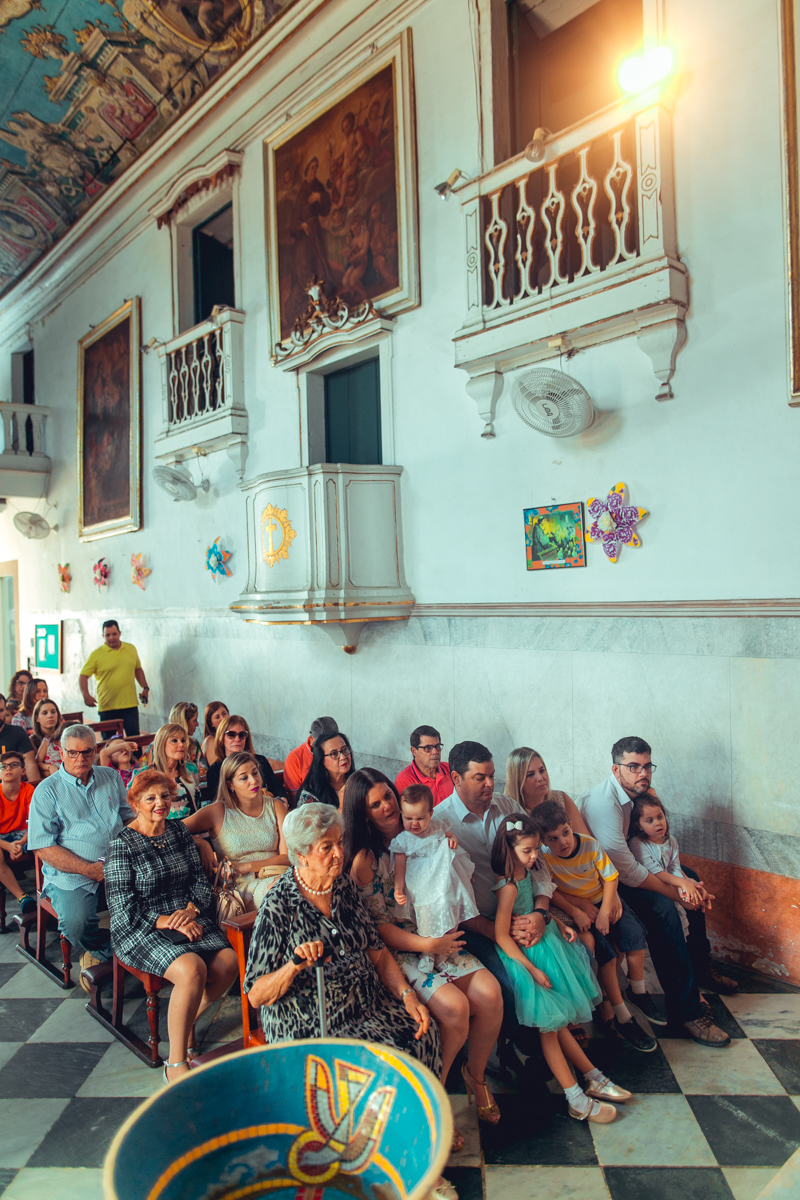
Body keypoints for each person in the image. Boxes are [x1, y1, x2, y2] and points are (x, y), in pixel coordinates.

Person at [344, 768, 502, 1132]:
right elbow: (379, 929)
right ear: (362, 813)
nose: (387, 807)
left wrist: (447, 840)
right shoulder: (367, 860)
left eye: (388, 797)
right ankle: (431, 1098)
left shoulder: (423, 829)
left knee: (491, 995)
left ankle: (474, 1078)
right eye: (375, 804)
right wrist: (429, 944)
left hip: (438, 935)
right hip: (402, 949)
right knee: (454, 1007)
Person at [243, 802, 439, 1066]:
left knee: (424, 1034)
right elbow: (256, 995)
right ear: (301, 855)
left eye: (339, 842)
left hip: (367, 1006)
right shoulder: (279, 906)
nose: (339, 853)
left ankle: (414, 1108)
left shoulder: (343, 885)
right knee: (375, 1065)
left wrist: (406, 994)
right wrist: (294, 965)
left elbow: (378, 954)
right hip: (313, 1021)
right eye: (327, 847)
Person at [578, 736, 731, 1047]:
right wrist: (680, 893)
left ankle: (701, 969)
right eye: (633, 767)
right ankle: (687, 1013)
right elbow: (626, 873)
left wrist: (686, 883)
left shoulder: (641, 793)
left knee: (693, 876)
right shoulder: (603, 804)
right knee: (663, 909)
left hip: (633, 868)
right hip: (605, 883)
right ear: (616, 769)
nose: (642, 773)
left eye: (647, 766)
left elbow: (660, 846)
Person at [491, 815, 629, 1124]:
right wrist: (530, 970)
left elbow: (538, 907)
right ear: (510, 848)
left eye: (537, 849)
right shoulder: (508, 887)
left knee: (558, 1025)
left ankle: (593, 1077)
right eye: (527, 850)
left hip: (546, 944)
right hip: (527, 958)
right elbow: (501, 934)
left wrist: (556, 922)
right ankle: (575, 1097)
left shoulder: (527, 876)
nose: (535, 856)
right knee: (550, 1030)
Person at [104, 769, 238, 1084]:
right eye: (150, 798)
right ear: (134, 802)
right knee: (192, 969)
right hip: (141, 928)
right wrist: (167, 921)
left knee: (230, 962)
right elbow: (122, 908)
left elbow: (201, 882)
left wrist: (190, 911)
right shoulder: (122, 845)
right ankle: (175, 1061)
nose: (159, 803)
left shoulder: (178, 832)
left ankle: (187, 1018)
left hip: (187, 917)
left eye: (164, 796)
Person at [436, 741, 558, 1072]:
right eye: (479, 778)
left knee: (560, 962)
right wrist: (496, 930)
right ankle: (508, 1053)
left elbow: (539, 867)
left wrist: (540, 913)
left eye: (491, 776)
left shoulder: (508, 807)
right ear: (455, 778)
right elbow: (450, 901)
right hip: (478, 925)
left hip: (525, 917)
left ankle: (547, 1042)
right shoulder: (439, 825)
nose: (490, 784)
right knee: (512, 978)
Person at [531, 798, 657, 1053]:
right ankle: (623, 1017)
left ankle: (638, 992)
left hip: (604, 900)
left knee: (635, 938)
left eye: (565, 833)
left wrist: (606, 909)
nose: (562, 842)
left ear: (570, 825)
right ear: (543, 841)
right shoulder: (545, 857)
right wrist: (576, 911)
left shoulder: (590, 845)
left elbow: (610, 879)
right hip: (577, 909)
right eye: (553, 839)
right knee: (607, 957)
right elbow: (551, 890)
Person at [26, 724, 134, 981]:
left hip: (117, 863)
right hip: (71, 873)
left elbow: (128, 818)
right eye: (72, 753)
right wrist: (86, 869)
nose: (80, 759)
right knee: (76, 925)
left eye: (86, 752)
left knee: (158, 892)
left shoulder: (110, 777)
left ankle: (142, 946)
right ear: (61, 753)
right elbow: (43, 846)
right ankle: (113, 951)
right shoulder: (47, 791)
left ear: (95, 751)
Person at [628, 792, 737, 995]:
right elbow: (654, 871)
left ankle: (701, 970)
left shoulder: (671, 841)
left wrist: (691, 885)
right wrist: (681, 886)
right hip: (650, 888)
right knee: (675, 931)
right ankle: (687, 989)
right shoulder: (638, 844)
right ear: (638, 825)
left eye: (660, 817)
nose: (658, 823)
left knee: (694, 888)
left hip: (670, 883)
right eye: (649, 820)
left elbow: (675, 867)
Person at [184, 752, 290, 909]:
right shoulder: (217, 812)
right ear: (230, 784)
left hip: (277, 875)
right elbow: (174, 830)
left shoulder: (276, 806)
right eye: (244, 777)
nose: (253, 781)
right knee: (283, 892)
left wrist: (246, 866)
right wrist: (200, 843)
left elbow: (288, 857)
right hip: (240, 887)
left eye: (255, 773)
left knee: (296, 888)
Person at [391, 783, 478, 974]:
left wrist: (453, 839)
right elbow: (400, 867)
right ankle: (428, 952)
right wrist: (398, 888)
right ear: (401, 815)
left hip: (444, 880)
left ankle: (445, 953)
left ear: (431, 814)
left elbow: (450, 834)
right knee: (426, 916)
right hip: (421, 883)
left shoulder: (437, 826)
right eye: (408, 818)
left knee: (451, 909)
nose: (414, 823)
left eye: (420, 818)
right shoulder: (402, 840)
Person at [79, 620, 150, 736]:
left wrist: (145, 688)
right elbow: (83, 676)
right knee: (109, 744)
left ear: (119, 633)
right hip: (107, 708)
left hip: (130, 705)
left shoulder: (131, 649)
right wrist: (86, 695)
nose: (111, 637)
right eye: (107, 635)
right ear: (103, 636)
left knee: (135, 741)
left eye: (114, 634)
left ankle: (137, 756)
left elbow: (138, 669)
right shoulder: (96, 655)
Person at [203, 716, 285, 803]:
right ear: (221, 738)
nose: (237, 739)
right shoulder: (215, 770)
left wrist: (283, 802)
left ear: (247, 737)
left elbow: (278, 789)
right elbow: (218, 803)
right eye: (231, 735)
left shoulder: (261, 761)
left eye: (242, 735)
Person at [0, 752, 35, 914]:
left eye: (14, 765)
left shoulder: (28, 790)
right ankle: (22, 897)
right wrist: (8, 846)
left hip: (25, 834)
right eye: (3, 766)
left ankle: (49, 892)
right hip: (2, 838)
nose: (8, 769)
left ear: (23, 770)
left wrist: (21, 843)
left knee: (45, 841)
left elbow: (35, 822)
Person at [138, 724, 198, 817]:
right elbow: (134, 810)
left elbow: (197, 804)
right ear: (161, 744)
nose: (181, 744)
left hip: (190, 827)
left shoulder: (191, 769)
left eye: (183, 740)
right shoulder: (143, 775)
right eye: (174, 741)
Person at [395, 725, 454, 806]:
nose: (435, 752)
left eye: (437, 746)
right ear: (414, 751)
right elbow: (411, 816)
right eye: (428, 748)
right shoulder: (405, 780)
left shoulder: (450, 769)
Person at [297, 731, 354, 808]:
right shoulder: (310, 795)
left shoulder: (358, 781)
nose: (343, 757)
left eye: (344, 749)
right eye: (334, 753)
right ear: (321, 760)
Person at [283, 716, 338, 795]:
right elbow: (294, 796)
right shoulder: (295, 758)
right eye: (323, 744)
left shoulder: (341, 752)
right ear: (312, 739)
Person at [0, 693, 40, 782]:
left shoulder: (17, 733)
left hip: (15, 789)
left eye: (1, 710)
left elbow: (30, 765)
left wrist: (35, 790)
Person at [31, 698, 64, 778]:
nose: (50, 716)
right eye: (44, 713)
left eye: (53, 712)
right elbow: (36, 766)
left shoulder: (65, 735)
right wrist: (50, 768)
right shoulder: (33, 740)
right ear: (37, 718)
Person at [168, 703, 201, 768]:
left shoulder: (194, 745)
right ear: (184, 722)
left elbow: (202, 771)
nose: (197, 724)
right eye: (194, 720)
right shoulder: (158, 746)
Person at [200, 701, 229, 769]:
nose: (223, 718)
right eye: (217, 717)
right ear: (211, 723)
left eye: (224, 713)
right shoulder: (210, 740)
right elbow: (217, 770)